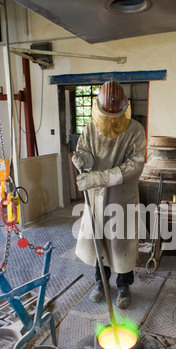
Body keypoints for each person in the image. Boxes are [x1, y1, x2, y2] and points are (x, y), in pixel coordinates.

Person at [72, 80, 146, 309]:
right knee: (98, 241)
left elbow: (134, 167)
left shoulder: (134, 130)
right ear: (99, 108)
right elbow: (83, 153)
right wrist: (81, 161)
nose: (112, 120)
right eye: (107, 114)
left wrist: (97, 178)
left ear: (125, 108)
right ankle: (100, 283)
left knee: (122, 243)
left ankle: (124, 285)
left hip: (122, 198)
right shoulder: (90, 129)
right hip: (96, 199)